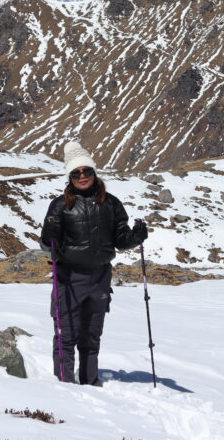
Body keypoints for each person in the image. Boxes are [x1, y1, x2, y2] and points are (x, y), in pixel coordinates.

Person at [40, 141, 147, 385]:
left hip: (100, 277)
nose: (82, 176)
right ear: (70, 177)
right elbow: (48, 244)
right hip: (69, 277)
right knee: (66, 335)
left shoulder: (111, 203)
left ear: (94, 172)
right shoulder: (60, 205)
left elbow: (120, 240)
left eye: (86, 171)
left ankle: (90, 383)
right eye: (76, 173)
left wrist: (136, 236)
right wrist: (51, 232)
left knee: (91, 336)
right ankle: (65, 386)